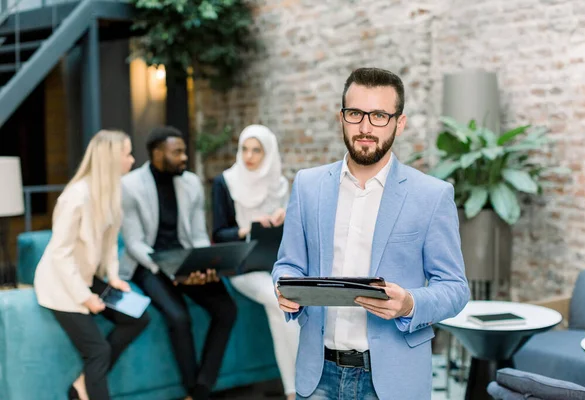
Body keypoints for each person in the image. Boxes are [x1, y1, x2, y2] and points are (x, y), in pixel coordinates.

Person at [272, 67, 470, 400]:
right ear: (342, 118)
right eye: (356, 114)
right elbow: (287, 264)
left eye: (379, 115)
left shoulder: (431, 196)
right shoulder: (307, 186)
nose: (365, 127)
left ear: (399, 122)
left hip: (392, 380)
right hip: (317, 373)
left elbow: (455, 288)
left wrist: (409, 303)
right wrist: (285, 288)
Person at [119, 126, 237, 400]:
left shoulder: (191, 182)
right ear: (157, 153)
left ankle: (201, 389)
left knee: (227, 310)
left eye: (184, 151)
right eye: (178, 152)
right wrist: (170, 271)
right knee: (178, 318)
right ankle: (191, 390)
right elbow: (135, 243)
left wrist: (203, 264)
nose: (185, 157)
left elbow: (197, 235)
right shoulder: (130, 186)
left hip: (185, 259)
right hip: (148, 264)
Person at [34, 130, 150, 400]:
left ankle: (83, 386)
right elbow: (60, 256)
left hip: (86, 278)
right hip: (60, 285)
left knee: (139, 318)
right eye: (127, 154)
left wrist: (112, 277)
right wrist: (85, 298)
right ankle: (84, 391)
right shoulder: (75, 197)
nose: (132, 160)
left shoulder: (112, 192)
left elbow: (109, 242)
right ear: (110, 159)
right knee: (99, 351)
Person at [212, 124, 299, 400]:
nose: (249, 156)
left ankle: (294, 391)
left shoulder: (280, 184)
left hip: (276, 263)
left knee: (281, 313)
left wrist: (285, 216)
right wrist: (248, 227)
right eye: (245, 149)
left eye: (256, 150)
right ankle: (306, 385)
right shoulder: (225, 182)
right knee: (283, 301)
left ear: (268, 153)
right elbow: (217, 233)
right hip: (243, 266)